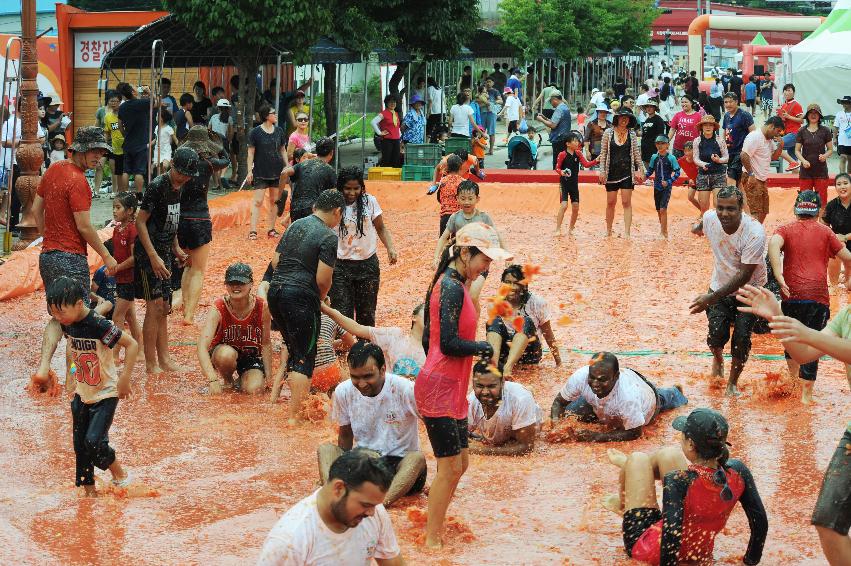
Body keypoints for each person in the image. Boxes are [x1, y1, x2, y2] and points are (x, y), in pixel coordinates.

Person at [736, 285, 851, 565]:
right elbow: (803, 353)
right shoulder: (847, 315)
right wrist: (777, 317)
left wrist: (807, 332)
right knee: (827, 522)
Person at [416, 222, 510, 549]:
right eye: (484, 260)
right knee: (450, 466)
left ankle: (435, 518)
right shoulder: (452, 287)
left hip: (452, 387)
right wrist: (482, 347)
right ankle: (430, 537)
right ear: (466, 253)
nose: (488, 267)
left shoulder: (459, 282)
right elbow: (450, 342)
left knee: (461, 464)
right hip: (439, 385)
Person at [604, 407, 767, 566]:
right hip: (698, 552)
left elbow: (671, 538)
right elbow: (760, 521)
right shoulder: (739, 470)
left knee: (638, 458)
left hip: (650, 549)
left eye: (682, 435)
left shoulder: (677, 480)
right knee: (669, 454)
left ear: (690, 444)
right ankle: (634, 474)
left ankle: (628, 494)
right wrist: (750, 561)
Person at [30, 127, 118, 393]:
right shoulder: (79, 181)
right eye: (94, 151)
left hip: (48, 256)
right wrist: (106, 254)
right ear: (78, 149)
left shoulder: (53, 169)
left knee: (58, 315)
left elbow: (36, 209)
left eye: (102, 152)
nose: (99, 157)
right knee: (77, 320)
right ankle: (72, 383)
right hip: (71, 258)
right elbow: (84, 227)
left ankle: (44, 367)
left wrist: (48, 237)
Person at [46, 277, 138, 496]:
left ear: (79, 304)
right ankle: (89, 492)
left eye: (61, 312)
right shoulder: (69, 324)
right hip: (82, 393)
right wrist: (71, 375)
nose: (58, 318)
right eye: (54, 313)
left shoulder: (99, 324)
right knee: (80, 446)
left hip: (105, 394)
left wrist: (125, 378)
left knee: (93, 442)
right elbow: (76, 352)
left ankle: (120, 474)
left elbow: (131, 344)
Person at [267, 189, 345, 424]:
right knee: (303, 357)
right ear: (337, 212)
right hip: (300, 297)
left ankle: (295, 409)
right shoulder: (329, 236)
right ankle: (295, 417)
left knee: (292, 349)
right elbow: (323, 279)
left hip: (276, 293)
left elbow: (275, 261)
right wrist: (318, 300)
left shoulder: (294, 225)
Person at [317, 342, 426, 507]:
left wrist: (443, 478)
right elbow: (345, 436)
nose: (361, 384)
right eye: (355, 377)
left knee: (417, 458)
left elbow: (435, 428)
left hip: (401, 470)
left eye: (368, 376)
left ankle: (380, 506)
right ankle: (333, 496)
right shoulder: (343, 391)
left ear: (382, 370)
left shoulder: (406, 390)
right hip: (366, 466)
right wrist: (342, 471)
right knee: (326, 450)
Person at [767, 190, 851, 403]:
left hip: (790, 296)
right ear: (819, 210)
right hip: (817, 298)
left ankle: (794, 382)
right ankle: (806, 395)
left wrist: (778, 274)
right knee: (813, 343)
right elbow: (848, 257)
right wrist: (848, 277)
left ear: (796, 209)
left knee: (791, 339)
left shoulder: (785, 229)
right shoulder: (826, 232)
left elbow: (773, 245)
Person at [257, 449, 404, 565]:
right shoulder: (289, 541)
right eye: (365, 505)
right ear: (338, 488)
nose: (372, 513)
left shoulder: (376, 512)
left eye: (375, 505)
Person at [689, 186, 766, 396]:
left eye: (731, 209)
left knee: (741, 340)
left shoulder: (755, 232)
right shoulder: (710, 217)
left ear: (742, 208)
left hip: (749, 290)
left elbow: (744, 275)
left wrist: (709, 298)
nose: (724, 213)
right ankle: (718, 359)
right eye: (720, 208)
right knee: (715, 336)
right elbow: (703, 222)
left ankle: (732, 382)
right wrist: (696, 228)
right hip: (719, 284)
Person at [134, 146, 198, 376]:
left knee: (165, 308)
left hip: (166, 251)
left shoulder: (178, 188)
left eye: (188, 175)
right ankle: (151, 363)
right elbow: (140, 222)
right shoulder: (156, 187)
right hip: (149, 253)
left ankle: (165, 359)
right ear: (172, 166)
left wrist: (177, 249)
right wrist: (152, 257)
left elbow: (170, 222)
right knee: (155, 307)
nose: (184, 178)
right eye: (181, 173)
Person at [551, 352, 688, 442]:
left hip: (646, 395)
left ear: (616, 377)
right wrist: (557, 428)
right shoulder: (580, 377)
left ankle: (675, 392)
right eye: (592, 378)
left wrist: (597, 436)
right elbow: (558, 403)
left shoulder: (628, 397)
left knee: (661, 400)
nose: (595, 384)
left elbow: (635, 433)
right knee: (569, 414)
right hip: (603, 403)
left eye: (602, 379)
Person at [330, 166, 398, 327]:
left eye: (356, 188)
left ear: (362, 187)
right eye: (347, 188)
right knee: (342, 312)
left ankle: (365, 347)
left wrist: (390, 248)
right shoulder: (333, 204)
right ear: (340, 187)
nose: (352, 193)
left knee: (366, 313)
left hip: (367, 265)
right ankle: (344, 348)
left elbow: (381, 228)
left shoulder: (370, 202)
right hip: (339, 266)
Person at [178, 126, 231, 325]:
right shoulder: (208, 164)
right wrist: (218, 143)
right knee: (198, 270)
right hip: (199, 218)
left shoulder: (179, 164)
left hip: (180, 219)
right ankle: (189, 315)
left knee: (186, 266)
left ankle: (185, 305)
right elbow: (225, 159)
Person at [197, 263, 270, 395]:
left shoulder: (262, 307)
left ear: (251, 284)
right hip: (223, 354)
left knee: (255, 391)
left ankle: (242, 380)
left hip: (250, 356)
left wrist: (269, 379)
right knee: (226, 355)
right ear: (226, 284)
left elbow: (266, 344)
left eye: (241, 283)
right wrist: (212, 380)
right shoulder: (219, 306)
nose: (236, 286)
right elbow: (202, 346)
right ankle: (228, 381)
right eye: (231, 283)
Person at [486, 264, 561, 377]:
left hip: (529, 354)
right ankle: (494, 366)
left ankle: (507, 368)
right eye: (507, 282)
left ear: (524, 286)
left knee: (525, 321)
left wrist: (558, 362)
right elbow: (494, 334)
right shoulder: (495, 304)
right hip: (504, 352)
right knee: (493, 321)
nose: (510, 287)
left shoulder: (537, 303)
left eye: (516, 283)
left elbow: (548, 334)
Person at [322, 303, 426, 379]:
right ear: (413, 317)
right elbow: (357, 328)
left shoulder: (435, 351)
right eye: (427, 312)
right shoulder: (395, 336)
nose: (431, 317)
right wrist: (326, 309)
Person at [466, 361, 541, 455]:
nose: (485, 392)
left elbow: (527, 447)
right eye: (479, 386)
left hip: (527, 418)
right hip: (499, 429)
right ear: (473, 383)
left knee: (514, 440)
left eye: (491, 386)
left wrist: (479, 450)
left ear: (502, 382)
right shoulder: (471, 399)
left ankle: (529, 393)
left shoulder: (520, 399)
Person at [599, 109, 644, 238]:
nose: (624, 120)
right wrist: (602, 171)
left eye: (627, 118)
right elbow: (603, 154)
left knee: (626, 202)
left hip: (627, 172)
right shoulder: (608, 133)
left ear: (630, 120)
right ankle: (608, 230)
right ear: (617, 118)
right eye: (622, 117)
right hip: (611, 172)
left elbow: (636, 153)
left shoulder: (632, 134)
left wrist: (641, 169)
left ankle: (627, 232)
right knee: (610, 202)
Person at [246, 104, 287, 240]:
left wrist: (287, 166)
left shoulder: (279, 131)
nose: (275, 114)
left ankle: (271, 229)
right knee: (257, 201)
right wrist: (249, 171)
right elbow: (250, 153)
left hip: (277, 171)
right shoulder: (255, 132)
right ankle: (253, 231)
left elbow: (283, 150)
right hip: (260, 171)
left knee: (275, 201)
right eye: (273, 113)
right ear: (266, 116)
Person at [109, 192, 141, 363]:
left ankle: (115, 354)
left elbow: (135, 258)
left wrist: (117, 268)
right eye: (113, 207)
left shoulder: (132, 230)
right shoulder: (117, 229)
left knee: (117, 316)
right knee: (130, 317)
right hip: (121, 278)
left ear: (129, 211)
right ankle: (140, 351)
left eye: (118, 208)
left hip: (129, 278)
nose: (114, 211)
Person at [280, 136, 337, 224]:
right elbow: (333, 194)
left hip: (295, 209)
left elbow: (284, 173)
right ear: (332, 153)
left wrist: (280, 196)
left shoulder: (303, 164)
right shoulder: (330, 170)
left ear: (316, 151)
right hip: (313, 210)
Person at [741, 115, 785, 224]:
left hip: (761, 179)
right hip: (753, 178)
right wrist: (751, 174)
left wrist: (781, 145)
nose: (778, 134)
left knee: (764, 211)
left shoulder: (769, 140)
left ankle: (756, 232)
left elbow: (774, 157)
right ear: (771, 126)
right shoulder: (755, 136)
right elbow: (744, 155)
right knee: (755, 211)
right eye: (777, 131)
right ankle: (752, 235)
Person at [555, 131, 598, 236]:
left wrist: (596, 160)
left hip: (574, 185)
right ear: (568, 144)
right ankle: (558, 229)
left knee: (575, 207)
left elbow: (586, 165)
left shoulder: (578, 153)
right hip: (564, 184)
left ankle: (571, 229)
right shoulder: (562, 154)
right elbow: (557, 168)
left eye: (577, 140)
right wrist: (562, 172)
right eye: (574, 140)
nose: (577, 142)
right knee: (564, 206)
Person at [795, 103, 834, 210]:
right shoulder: (801, 131)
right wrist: (803, 161)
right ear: (807, 115)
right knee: (804, 202)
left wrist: (825, 155)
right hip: (805, 172)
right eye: (811, 113)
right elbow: (797, 150)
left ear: (819, 115)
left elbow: (831, 149)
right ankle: (805, 225)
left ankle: (822, 224)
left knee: (822, 202)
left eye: (816, 113)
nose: (813, 115)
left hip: (821, 171)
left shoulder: (825, 130)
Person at [117, 83, 152, 191]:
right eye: (134, 87)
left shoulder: (122, 107)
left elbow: (120, 125)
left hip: (128, 143)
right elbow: (157, 103)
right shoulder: (142, 103)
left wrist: (125, 135)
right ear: (132, 92)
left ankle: (125, 193)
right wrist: (149, 91)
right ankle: (139, 194)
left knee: (126, 171)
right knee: (139, 171)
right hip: (141, 143)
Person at [644, 135, 681, 239]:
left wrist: (669, 181)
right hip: (656, 186)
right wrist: (644, 177)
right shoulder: (654, 157)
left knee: (663, 209)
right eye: (658, 143)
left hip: (666, 187)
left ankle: (663, 232)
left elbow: (677, 172)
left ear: (667, 145)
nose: (660, 146)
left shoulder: (671, 158)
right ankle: (663, 229)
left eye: (662, 143)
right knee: (658, 209)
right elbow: (650, 170)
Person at [692, 114, 729, 214]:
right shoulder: (697, 141)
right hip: (703, 175)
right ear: (702, 127)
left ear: (714, 127)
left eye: (710, 125)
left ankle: (718, 227)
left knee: (718, 204)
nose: (708, 127)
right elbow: (695, 157)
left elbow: (726, 157)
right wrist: (703, 164)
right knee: (703, 205)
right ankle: (706, 226)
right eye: (705, 125)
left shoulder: (720, 140)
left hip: (719, 174)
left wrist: (719, 160)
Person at [722, 92, 755, 189]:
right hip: (729, 153)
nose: (728, 104)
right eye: (726, 102)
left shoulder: (745, 115)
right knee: (737, 182)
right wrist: (724, 149)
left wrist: (748, 152)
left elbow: (753, 134)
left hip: (741, 153)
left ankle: (733, 201)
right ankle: (739, 202)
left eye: (731, 102)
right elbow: (725, 132)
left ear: (737, 102)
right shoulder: (726, 116)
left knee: (732, 178)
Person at [823, 173, 851, 287]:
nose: (842, 187)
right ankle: (834, 284)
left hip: (845, 240)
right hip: (839, 244)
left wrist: (845, 237)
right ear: (835, 187)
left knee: (850, 286)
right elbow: (823, 226)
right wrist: (834, 238)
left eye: (845, 183)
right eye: (838, 184)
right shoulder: (831, 205)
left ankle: (847, 276)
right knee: (835, 245)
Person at [536, 90, 572, 170]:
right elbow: (556, 121)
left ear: (554, 99)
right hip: (564, 137)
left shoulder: (559, 109)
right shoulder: (564, 107)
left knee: (557, 163)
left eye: (551, 101)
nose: (551, 104)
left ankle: (557, 180)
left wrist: (541, 120)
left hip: (559, 139)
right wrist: (545, 118)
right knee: (563, 162)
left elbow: (553, 125)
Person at [435, 154, 466, 236]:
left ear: (447, 167)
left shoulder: (442, 181)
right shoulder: (463, 182)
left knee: (444, 241)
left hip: (445, 216)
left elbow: (439, 198)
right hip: (459, 216)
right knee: (458, 242)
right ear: (460, 167)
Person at [103, 90, 127, 193]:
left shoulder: (125, 114)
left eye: (115, 101)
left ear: (120, 101)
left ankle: (123, 192)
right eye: (111, 101)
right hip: (114, 147)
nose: (113, 103)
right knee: (115, 171)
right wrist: (104, 144)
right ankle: (116, 191)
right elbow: (107, 132)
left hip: (126, 147)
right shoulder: (107, 116)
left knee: (123, 172)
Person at [207, 98, 233, 188]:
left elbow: (208, 130)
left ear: (218, 108)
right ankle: (222, 177)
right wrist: (229, 140)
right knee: (225, 160)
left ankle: (217, 185)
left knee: (215, 163)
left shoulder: (213, 117)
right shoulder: (229, 119)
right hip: (223, 141)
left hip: (213, 141)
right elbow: (230, 133)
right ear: (228, 108)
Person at [777, 83, 803, 171]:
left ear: (793, 93)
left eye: (789, 90)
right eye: (785, 90)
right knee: (794, 162)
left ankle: (793, 163)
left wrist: (788, 117)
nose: (787, 92)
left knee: (777, 146)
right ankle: (797, 181)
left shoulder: (796, 105)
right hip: (788, 134)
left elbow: (801, 120)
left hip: (795, 134)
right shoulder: (784, 105)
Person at [372, 95, 402, 167]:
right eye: (390, 102)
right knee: (386, 159)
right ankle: (384, 176)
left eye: (394, 102)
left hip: (397, 140)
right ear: (386, 103)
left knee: (396, 159)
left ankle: (393, 176)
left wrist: (400, 138)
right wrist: (379, 133)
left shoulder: (396, 114)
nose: (393, 104)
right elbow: (373, 122)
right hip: (387, 140)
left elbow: (397, 127)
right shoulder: (384, 113)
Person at [639, 100, 667, 169]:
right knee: (648, 169)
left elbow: (661, 136)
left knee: (655, 170)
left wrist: (660, 149)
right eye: (647, 107)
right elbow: (644, 134)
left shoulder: (658, 120)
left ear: (655, 108)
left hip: (654, 149)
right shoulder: (647, 120)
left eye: (651, 107)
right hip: (645, 149)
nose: (649, 108)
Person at [151, 108, 177, 175]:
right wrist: (148, 144)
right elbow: (156, 139)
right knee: (159, 171)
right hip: (158, 151)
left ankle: (165, 180)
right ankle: (160, 182)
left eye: (157, 116)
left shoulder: (168, 128)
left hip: (166, 150)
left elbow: (175, 139)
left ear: (161, 119)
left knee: (165, 166)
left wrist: (179, 146)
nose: (156, 117)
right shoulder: (157, 127)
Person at [834, 96, 851, 174]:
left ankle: (849, 178)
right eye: (843, 102)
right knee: (843, 157)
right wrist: (834, 138)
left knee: (850, 159)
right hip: (842, 140)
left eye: (846, 102)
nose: (844, 104)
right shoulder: (839, 114)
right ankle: (842, 176)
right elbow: (836, 127)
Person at [426, 77, 445, 143]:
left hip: (434, 112)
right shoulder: (440, 88)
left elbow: (430, 101)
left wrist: (428, 113)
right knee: (439, 129)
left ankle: (429, 143)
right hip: (442, 111)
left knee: (429, 129)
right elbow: (444, 100)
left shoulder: (429, 89)